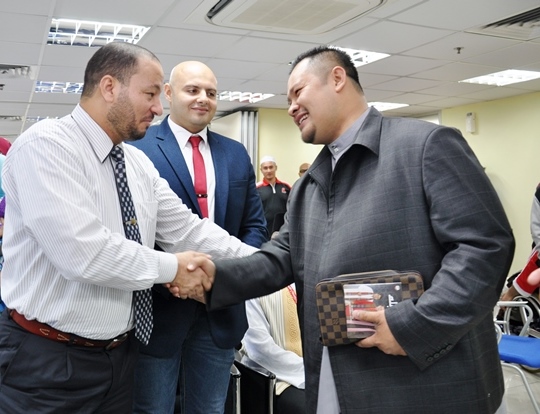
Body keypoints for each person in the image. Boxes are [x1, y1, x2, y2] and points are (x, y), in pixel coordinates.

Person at [199, 46, 515, 413]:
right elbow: (282, 256)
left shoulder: (425, 146)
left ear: (337, 78)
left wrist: (413, 325)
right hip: (336, 377)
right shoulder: (309, 186)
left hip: (425, 382)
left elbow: (485, 248)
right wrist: (212, 277)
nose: (291, 107)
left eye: (298, 92)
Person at [0, 42, 257, 413]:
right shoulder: (46, 145)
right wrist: (174, 268)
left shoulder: (137, 164)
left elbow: (189, 229)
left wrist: (269, 264)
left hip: (120, 357)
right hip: (47, 361)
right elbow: (84, 252)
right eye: (150, 94)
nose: (158, 108)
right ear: (109, 87)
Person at [129, 60, 267, 413]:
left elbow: (254, 226)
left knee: (210, 408)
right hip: (160, 307)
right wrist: (174, 276)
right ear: (169, 93)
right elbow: (132, 232)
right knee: (152, 408)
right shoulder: (139, 149)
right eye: (192, 90)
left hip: (221, 309)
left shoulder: (235, 153)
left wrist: (228, 276)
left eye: (211, 92)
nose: (203, 98)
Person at [241, 283, 305, 414]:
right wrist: (308, 371)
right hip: (277, 377)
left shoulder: (313, 280)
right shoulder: (252, 286)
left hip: (318, 373)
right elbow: (259, 350)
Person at [257, 155, 291, 236]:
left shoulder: (286, 187)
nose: (268, 170)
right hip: (264, 231)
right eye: (265, 168)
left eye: (271, 167)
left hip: (283, 231)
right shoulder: (256, 189)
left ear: (276, 168)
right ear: (261, 170)